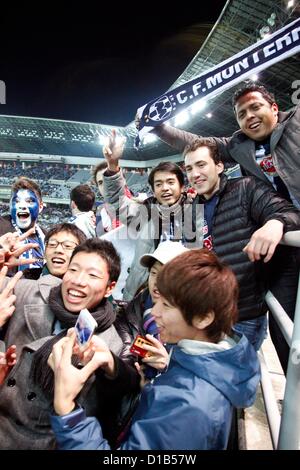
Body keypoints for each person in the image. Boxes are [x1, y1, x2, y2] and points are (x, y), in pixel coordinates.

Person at [49, 249, 260, 450]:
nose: (154, 312)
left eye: (166, 305)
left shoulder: (188, 408)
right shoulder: (203, 361)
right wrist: (148, 387)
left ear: (204, 318)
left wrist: (68, 410)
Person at [0, 238, 139, 449]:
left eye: (92, 275)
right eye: (73, 270)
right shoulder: (28, 292)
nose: (78, 280)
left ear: (110, 288)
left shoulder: (109, 345)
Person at [182, 138, 300, 353]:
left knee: (232, 379)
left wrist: (275, 223)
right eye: (189, 168)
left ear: (219, 166)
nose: (194, 174)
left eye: (201, 165)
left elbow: (289, 212)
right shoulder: (191, 211)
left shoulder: (246, 188)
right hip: (209, 312)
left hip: (243, 314)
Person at [102, 130, 199, 300]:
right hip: (144, 294)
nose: (165, 188)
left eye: (170, 182)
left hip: (184, 294)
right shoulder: (146, 214)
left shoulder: (198, 213)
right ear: (153, 191)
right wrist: (112, 166)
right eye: (159, 184)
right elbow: (117, 203)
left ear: (182, 187)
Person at [0, 177, 45, 279]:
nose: (22, 206)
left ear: (41, 207)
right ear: (10, 205)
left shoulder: (47, 236)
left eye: (29, 201)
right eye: (17, 201)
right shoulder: (1, 227)